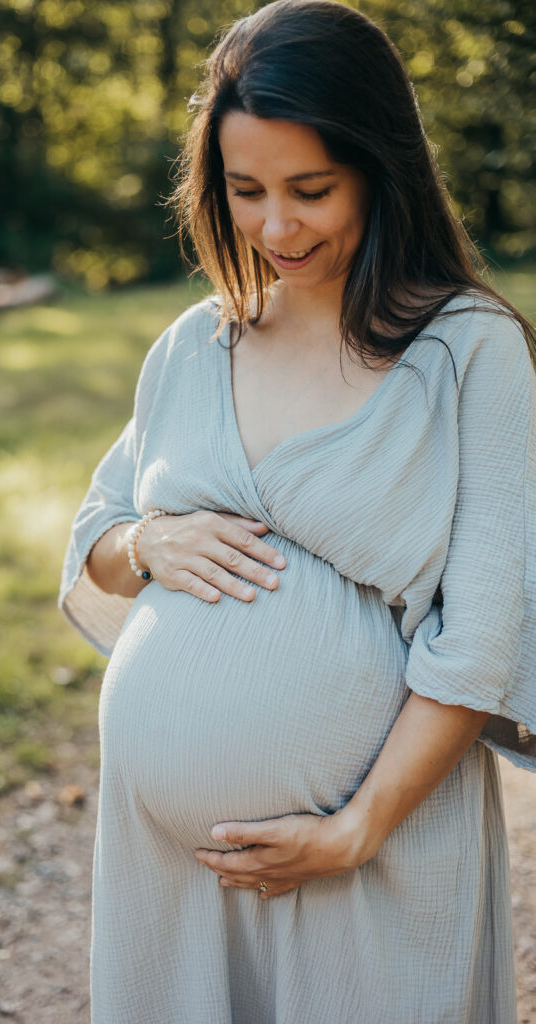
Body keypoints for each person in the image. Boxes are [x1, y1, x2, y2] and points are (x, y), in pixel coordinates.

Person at [59, 2, 536, 1021]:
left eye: (309, 189)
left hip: (374, 857)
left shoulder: (466, 352)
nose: (276, 227)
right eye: (245, 191)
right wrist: (145, 540)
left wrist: (355, 826)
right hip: (168, 873)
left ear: (378, 165)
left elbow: (481, 633)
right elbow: (91, 540)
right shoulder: (195, 345)